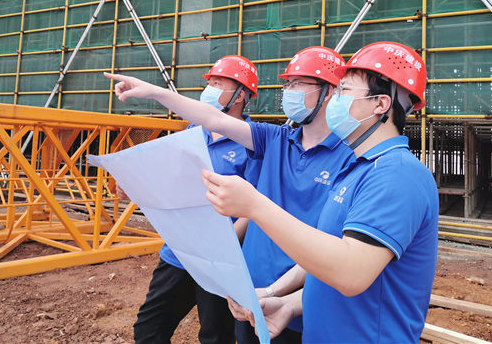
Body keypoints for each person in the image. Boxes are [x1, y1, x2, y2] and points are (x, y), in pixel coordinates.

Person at [107, 46, 355, 344]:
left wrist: (270, 287)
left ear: (329, 92)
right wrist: (156, 93)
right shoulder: (275, 139)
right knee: (153, 328)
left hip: (291, 295)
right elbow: (212, 120)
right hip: (245, 284)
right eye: (288, 84)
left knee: (216, 334)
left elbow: (334, 248)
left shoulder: (349, 158)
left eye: (298, 83)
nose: (289, 92)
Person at [203, 41, 439, 343]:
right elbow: (326, 257)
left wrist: (255, 206)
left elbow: (351, 273)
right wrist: (287, 302)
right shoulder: (358, 168)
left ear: (380, 104)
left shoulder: (396, 175)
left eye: (344, 91)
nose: (335, 100)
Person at [132, 55, 262, 344]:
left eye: (218, 83)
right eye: (209, 83)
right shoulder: (194, 132)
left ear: (241, 95)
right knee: (148, 330)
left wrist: (223, 242)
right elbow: (173, 181)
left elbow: (255, 207)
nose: (209, 89)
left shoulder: (253, 144)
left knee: (215, 336)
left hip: (221, 260)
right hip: (179, 253)